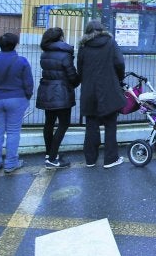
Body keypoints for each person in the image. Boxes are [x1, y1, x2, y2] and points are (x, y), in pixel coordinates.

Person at [0, 33, 34, 174]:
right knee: (13, 131)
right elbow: (28, 84)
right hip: (17, 99)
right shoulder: (21, 61)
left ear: (0, 45)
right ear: (15, 44)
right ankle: (11, 163)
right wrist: (26, 97)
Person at [78, 20, 126, 169]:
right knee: (111, 125)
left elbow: (80, 68)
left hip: (89, 91)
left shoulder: (83, 46)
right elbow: (119, 63)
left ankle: (90, 159)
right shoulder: (111, 43)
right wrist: (117, 78)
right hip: (109, 89)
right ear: (102, 29)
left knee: (91, 125)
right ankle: (111, 158)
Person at [36, 27, 80, 169]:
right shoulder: (65, 54)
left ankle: (49, 154)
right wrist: (77, 81)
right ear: (60, 37)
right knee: (63, 124)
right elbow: (72, 75)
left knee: (49, 123)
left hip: (46, 91)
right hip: (62, 93)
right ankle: (52, 158)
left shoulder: (45, 53)